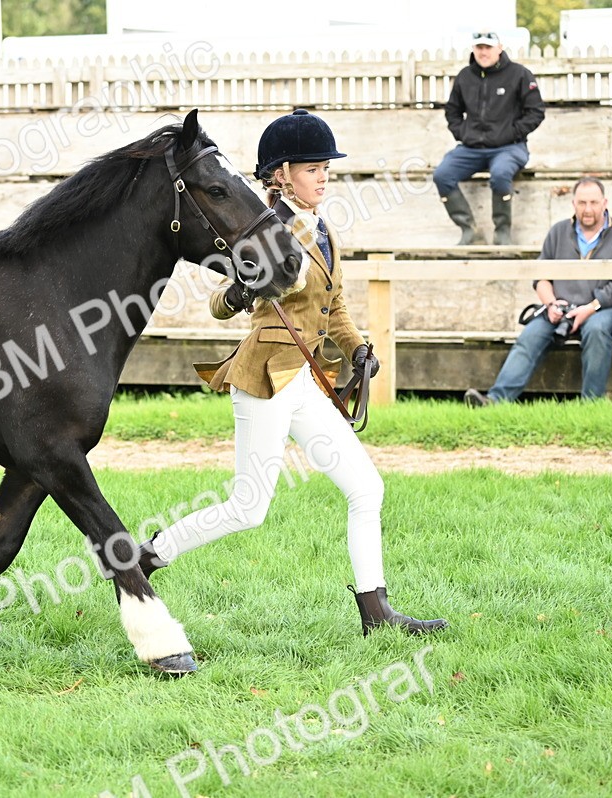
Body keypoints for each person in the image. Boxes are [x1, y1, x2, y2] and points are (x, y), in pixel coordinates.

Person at [134, 109, 448, 638]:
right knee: (249, 507)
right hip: (265, 375)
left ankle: (376, 612)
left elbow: (337, 308)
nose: (322, 177)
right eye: (311, 169)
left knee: (366, 488)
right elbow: (218, 303)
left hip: (305, 378)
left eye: (325, 168)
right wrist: (239, 291)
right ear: (280, 175)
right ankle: (144, 559)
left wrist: (358, 350)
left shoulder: (324, 230)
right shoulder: (262, 228)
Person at [465, 177, 612, 405]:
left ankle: (591, 407)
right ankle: (495, 400)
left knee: (596, 330)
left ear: (605, 203)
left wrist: (590, 308)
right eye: (582, 203)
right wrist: (551, 303)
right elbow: (541, 276)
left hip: (603, 308)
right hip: (560, 308)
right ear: (573, 204)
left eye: (594, 203)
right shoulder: (558, 231)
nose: (588, 209)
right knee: (530, 336)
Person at [433, 31, 545, 245]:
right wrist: (462, 133)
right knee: (442, 174)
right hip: (471, 148)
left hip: (510, 148)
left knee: (501, 174)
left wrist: (512, 133)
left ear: (499, 48)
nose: (483, 52)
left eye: (488, 47)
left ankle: (502, 232)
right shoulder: (465, 76)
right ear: (474, 50)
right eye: (479, 48)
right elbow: (452, 111)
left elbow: (536, 112)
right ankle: (468, 229)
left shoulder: (520, 74)